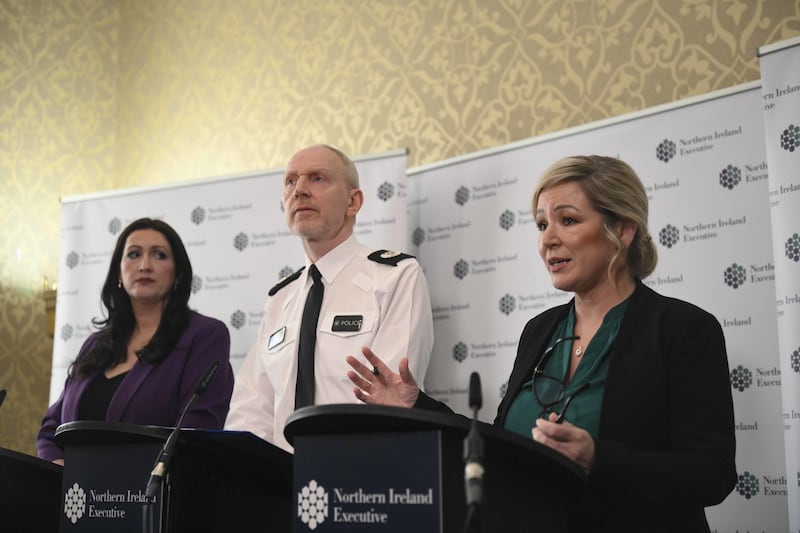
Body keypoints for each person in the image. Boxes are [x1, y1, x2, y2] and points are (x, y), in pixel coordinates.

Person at [347, 155, 736, 532]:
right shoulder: (540, 329)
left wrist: (598, 459)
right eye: (541, 224)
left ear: (623, 229)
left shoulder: (683, 329)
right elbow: (502, 448)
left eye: (567, 220)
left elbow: (712, 473)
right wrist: (418, 407)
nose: (548, 239)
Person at [225, 144, 434, 451]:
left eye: (318, 179)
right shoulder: (280, 299)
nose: (299, 190)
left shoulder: (394, 276)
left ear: (353, 201)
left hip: (360, 474)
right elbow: (251, 410)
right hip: (277, 484)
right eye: (290, 181)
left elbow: (390, 400)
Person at [37, 218, 234, 464]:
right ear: (118, 273)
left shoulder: (204, 336)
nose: (144, 265)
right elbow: (51, 428)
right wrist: (57, 464)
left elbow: (196, 433)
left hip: (149, 496)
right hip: (74, 495)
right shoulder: (95, 345)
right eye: (133, 254)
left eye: (159, 255)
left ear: (179, 275)